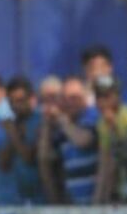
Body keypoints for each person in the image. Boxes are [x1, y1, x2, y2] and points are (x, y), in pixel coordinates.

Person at [39, 76, 101, 205]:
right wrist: (47, 124)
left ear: (85, 97)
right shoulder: (64, 126)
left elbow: (83, 141)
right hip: (73, 202)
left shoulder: (92, 115)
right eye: (65, 99)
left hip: (96, 201)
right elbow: (44, 157)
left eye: (74, 98)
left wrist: (62, 120)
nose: (69, 103)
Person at [91, 75, 127, 204]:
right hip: (119, 190)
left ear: (117, 96)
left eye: (107, 96)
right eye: (99, 97)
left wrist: (114, 128)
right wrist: (98, 199)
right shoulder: (102, 123)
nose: (103, 101)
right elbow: (105, 161)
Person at [0, 77, 43, 205]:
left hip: (42, 197)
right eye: (12, 102)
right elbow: (3, 165)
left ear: (31, 99)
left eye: (20, 101)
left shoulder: (41, 121)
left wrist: (13, 133)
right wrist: (13, 134)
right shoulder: (12, 124)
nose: (16, 106)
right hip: (20, 199)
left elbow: (29, 158)